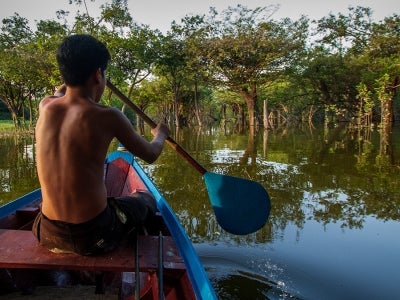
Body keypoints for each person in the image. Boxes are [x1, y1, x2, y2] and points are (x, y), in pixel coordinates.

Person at [32, 34, 170, 256]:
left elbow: (60, 92)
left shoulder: (46, 106)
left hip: (46, 233)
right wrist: (160, 133)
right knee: (145, 199)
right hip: (93, 236)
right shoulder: (108, 116)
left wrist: (73, 74)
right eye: (103, 73)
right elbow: (151, 153)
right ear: (98, 74)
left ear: (65, 73)